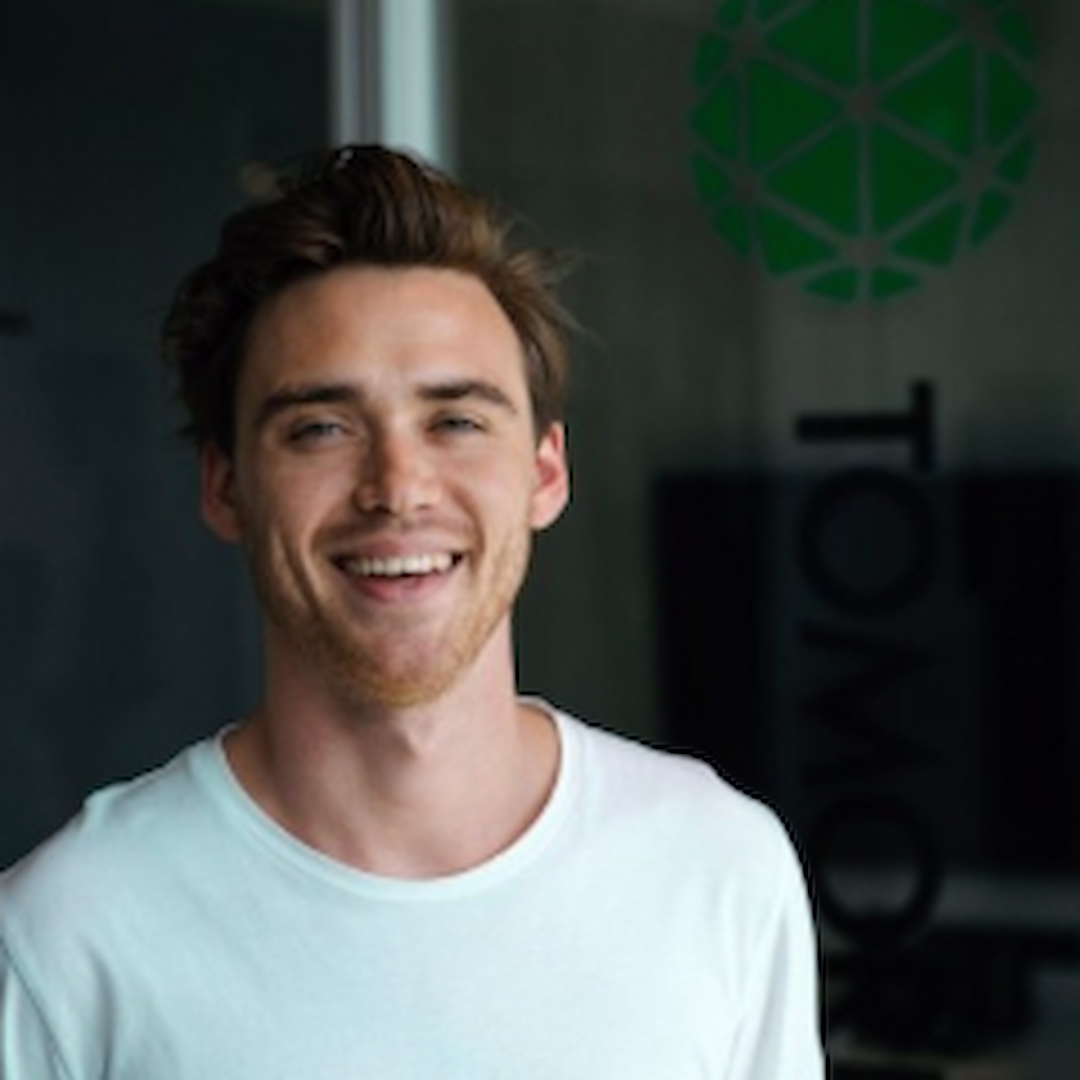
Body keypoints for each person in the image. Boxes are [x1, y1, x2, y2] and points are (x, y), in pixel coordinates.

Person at [0, 145, 825, 1078]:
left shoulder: (718, 867)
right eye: (322, 428)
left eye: (456, 421)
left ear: (545, 473)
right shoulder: (63, 940)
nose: (398, 488)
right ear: (226, 487)